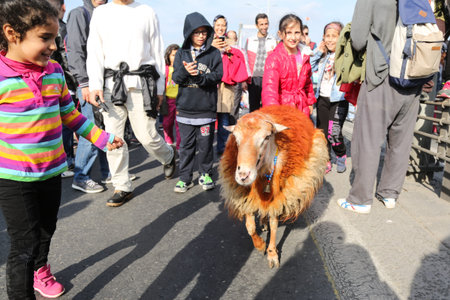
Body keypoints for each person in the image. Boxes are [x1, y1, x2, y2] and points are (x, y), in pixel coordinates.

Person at [0, 0, 124, 298]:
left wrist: (102, 138)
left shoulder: (54, 72)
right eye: (45, 38)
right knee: (23, 245)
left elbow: (70, 115)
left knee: (46, 231)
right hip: (14, 178)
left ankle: (40, 270)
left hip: (52, 170)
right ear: (12, 33)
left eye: (55, 38)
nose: (53, 46)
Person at [86, 0, 176, 207]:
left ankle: (168, 154)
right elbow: (95, 51)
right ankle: (122, 185)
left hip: (141, 83)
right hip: (111, 84)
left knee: (147, 136)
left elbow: (157, 51)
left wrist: (160, 88)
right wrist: (95, 85)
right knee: (113, 137)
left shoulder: (146, 12)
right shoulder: (101, 13)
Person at [337, 0, 422, 214]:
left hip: (381, 74)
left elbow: (357, 39)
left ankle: (360, 200)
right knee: (401, 141)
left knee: (368, 138)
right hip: (414, 77)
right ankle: (389, 193)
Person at [172, 12, 223, 193]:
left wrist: (200, 77)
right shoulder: (181, 53)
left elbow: (218, 76)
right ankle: (184, 178)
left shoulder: (214, 53)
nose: (201, 36)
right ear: (189, 33)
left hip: (205, 111)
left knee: (205, 145)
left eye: (204, 32)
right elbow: (176, 77)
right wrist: (186, 72)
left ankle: (205, 173)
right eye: (196, 32)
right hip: (185, 110)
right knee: (185, 146)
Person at [66, 0, 111, 193]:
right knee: (90, 128)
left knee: (104, 127)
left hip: (105, 82)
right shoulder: (80, 14)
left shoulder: (109, 13)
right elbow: (74, 50)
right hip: (88, 84)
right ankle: (81, 176)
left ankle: (107, 172)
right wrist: (83, 83)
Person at [310, 22, 348, 174]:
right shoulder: (323, 55)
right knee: (322, 132)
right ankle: (326, 160)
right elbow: (310, 66)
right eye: (327, 36)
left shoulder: (345, 55)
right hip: (322, 98)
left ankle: (341, 154)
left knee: (334, 132)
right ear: (323, 38)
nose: (330, 40)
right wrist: (319, 52)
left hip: (339, 98)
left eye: (334, 36)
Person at [261, 14, 316, 117]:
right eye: (289, 33)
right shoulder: (274, 58)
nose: (293, 37)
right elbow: (269, 90)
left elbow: (308, 82)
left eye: (297, 33)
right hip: (283, 110)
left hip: (301, 108)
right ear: (281, 34)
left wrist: (309, 102)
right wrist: (274, 113)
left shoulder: (305, 54)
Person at [48, 0, 78, 179]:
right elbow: (66, 57)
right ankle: (66, 160)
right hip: (62, 82)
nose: (51, 46)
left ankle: (65, 160)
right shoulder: (61, 27)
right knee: (64, 124)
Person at [212, 15, 249, 155]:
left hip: (226, 86)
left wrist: (230, 50)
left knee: (224, 119)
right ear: (214, 26)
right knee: (208, 120)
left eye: (223, 25)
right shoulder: (208, 41)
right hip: (210, 86)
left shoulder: (230, 43)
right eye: (218, 25)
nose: (220, 28)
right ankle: (207, 149)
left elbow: (240, 58)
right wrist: (212, 47)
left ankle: (222, 150)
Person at [245, 13, 277, 112]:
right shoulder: (249, 40)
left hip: (268, 79)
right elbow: (245, 61)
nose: (264, 27)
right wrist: (244, 80)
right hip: (253, 79)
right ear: (257, 26)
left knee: (267, 108)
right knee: (254, 108)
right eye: (261, 24)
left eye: (266, 24)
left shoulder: (273, 40)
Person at [226, 30, 250, 125]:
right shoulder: (222, 50)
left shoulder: (240, 50)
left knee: (234, 107)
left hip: (236, 82)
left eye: (233, 38)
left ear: (236, 39)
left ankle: (232, 128)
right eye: (229, 38)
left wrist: (244, 81)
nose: (231, 40)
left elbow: (245, 65)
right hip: (224, 82)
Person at [163, 44, 181, 150]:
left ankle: (179, 147)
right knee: (166, 124)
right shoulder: (165, 69)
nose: (175, 57)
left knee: (179, 125)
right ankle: (169, 141)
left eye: (178, 55)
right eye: (173, 55)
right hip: (168, 101)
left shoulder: (182, 69)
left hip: (180, 101)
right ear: (168, 56)